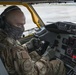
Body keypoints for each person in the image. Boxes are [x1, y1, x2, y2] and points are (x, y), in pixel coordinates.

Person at [0, 6, 66, 75]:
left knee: (36, 54)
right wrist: (47, 56)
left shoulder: (5, 38)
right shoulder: (14, 48)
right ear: (4, 24)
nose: (22, 29)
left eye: (23, 25)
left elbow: (15, 53)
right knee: (58, 63)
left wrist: (29, 45)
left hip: (12, 67)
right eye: (18, 25)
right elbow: (33, 73)